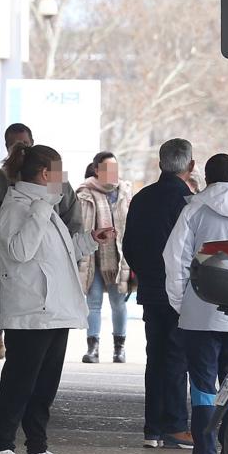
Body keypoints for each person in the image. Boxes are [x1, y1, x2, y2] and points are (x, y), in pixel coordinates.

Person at [0, 144, 116, 454]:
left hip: (55, 310)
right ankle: (3, 447)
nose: (64, 181)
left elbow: (61, 253)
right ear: (46, 174)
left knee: (45, 386)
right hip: (30, 312)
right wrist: (42, 209)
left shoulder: (45, 208)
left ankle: (37, 449)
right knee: (19, 383)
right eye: (59, 173)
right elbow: (20, 250)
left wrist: (91, 239)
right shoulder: (18, 206)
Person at [163, 154, 228, 454]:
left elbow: (174, 258)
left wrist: (180, 301)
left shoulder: (194, 210)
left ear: (207, 178)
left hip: (200, 311)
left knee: (203, 386)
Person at [0, 123, 82, 360]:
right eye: (15, 145)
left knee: (46, 371)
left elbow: (73, 222)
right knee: (23, 365)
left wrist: (77, 258)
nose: (20, 149)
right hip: (13, 278)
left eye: (25, 144)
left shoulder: (56, 182)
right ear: (6, 147)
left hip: (53, 283)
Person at [121, 139, 197, 450]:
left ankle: (152, 428)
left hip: (152, 291)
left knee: (156, 359)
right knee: (177, 358)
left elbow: (129, 246)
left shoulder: (141, 199)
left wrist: (147, 275)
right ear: (190, 166)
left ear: (160, 163)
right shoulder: (188, 202)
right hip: (179, 292)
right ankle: (177, 427)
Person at [76, 151, 132, 364]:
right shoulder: (84, 192)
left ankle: (120, 348)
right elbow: (79, 225)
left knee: (118, 303)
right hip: (93, 256)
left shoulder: (125, 192)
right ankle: (93, 348)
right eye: (108, 169)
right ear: (97, 170)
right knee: (94, 303)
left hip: (118, 256)